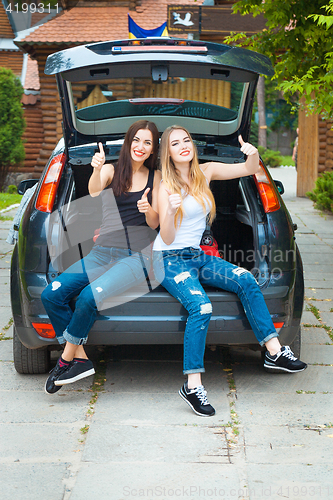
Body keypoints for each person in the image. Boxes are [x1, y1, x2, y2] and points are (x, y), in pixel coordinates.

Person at [153, 125, 307, 417]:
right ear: (168, 153)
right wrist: (171, 212)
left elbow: (247, 169)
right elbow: (168, 236)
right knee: (201, 306)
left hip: (197, 255)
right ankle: (193, 385)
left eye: (187, 139)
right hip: (168, 258)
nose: (184, 145)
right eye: (176, 143)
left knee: (246, 278)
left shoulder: (206, 171)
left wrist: (253, 154)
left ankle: (274, 352)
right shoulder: (165, 186)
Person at [42, 120, 161, 394]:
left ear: (153, 149)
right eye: (136, 140)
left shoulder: (158, 179)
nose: (140, 147)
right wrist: (96, 169)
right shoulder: (111, 170)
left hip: (137, 257)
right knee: (51, 294)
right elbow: (95, 190)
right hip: (103, 251)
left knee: (87, 297)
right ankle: (80, 358)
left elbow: (156, 224)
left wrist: (148, 210)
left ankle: (65, 360)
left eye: (147, 142)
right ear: (128, 142)